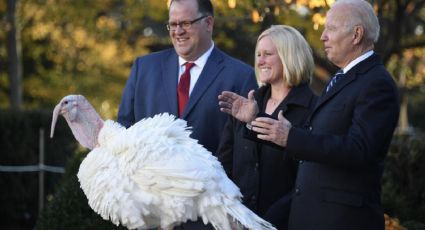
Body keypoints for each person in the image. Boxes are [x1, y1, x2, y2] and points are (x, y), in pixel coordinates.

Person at [246, 0, 400, 229]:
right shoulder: (342, 79)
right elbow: (315, 142)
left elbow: (360, 150)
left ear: (356, 34)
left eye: (331, 29)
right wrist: (253, 120)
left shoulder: (377, 83)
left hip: (342, 221)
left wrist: (292, 137)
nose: (323, 37)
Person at [117, 0, 257, 229]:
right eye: (172, 24)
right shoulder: (144, 68)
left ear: (208, 23)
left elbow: (245, 154)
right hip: (151, 215)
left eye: (185, 23)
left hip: (210, 218)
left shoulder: (240, 76)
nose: (178, 31)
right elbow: (123, 131)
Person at [217, 25, 317, 229]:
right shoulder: (245, 105)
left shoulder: (314, 109)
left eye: (268, 54)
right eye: (258, 55)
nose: (260, 61)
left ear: (289, 56)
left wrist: (265, 223)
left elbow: (309, 178)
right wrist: (230, 211)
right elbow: (223, 166)